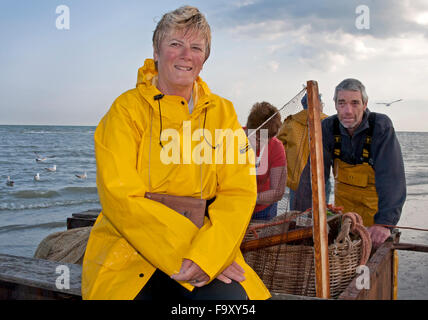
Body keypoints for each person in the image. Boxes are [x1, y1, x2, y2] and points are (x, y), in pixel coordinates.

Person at [81, 6, 270, 300]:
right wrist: (189, 252)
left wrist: (208, 254)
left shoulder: (223, 113)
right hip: (130, 251)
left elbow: (239, 191)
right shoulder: (125, 112)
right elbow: (119, 196)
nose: (186, 55)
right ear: (156, 52)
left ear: (203, 60)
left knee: (232, 302)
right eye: (175, 44)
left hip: (207, 246)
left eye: (196, 47)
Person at [299, 78, 406, 248]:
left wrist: (385, 223)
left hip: (375, 219)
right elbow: (313, 176)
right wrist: (304, 216)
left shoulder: (380, 126)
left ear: (365, 104)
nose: (348, 111)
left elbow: (392, 179)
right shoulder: (327, 127)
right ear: (335, 105)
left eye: (355, 103)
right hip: (345, 218)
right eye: (342, 103)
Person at [277, 93, 329, 211]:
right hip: (321, 178)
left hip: (297, 180)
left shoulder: (290, 123)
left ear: (303, 104)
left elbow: (279, 147)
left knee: (296, 216)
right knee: (323, 216)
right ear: (319, 104)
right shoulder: (328, 122)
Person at [245, 102, 287, 220]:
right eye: (256, 138)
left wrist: (251, 198)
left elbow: (278, 191)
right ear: (248, 128)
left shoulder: (276, 147)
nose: (258, 144)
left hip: (262, 210)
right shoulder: (232, 138)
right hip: (232, 207)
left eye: (265, 140)